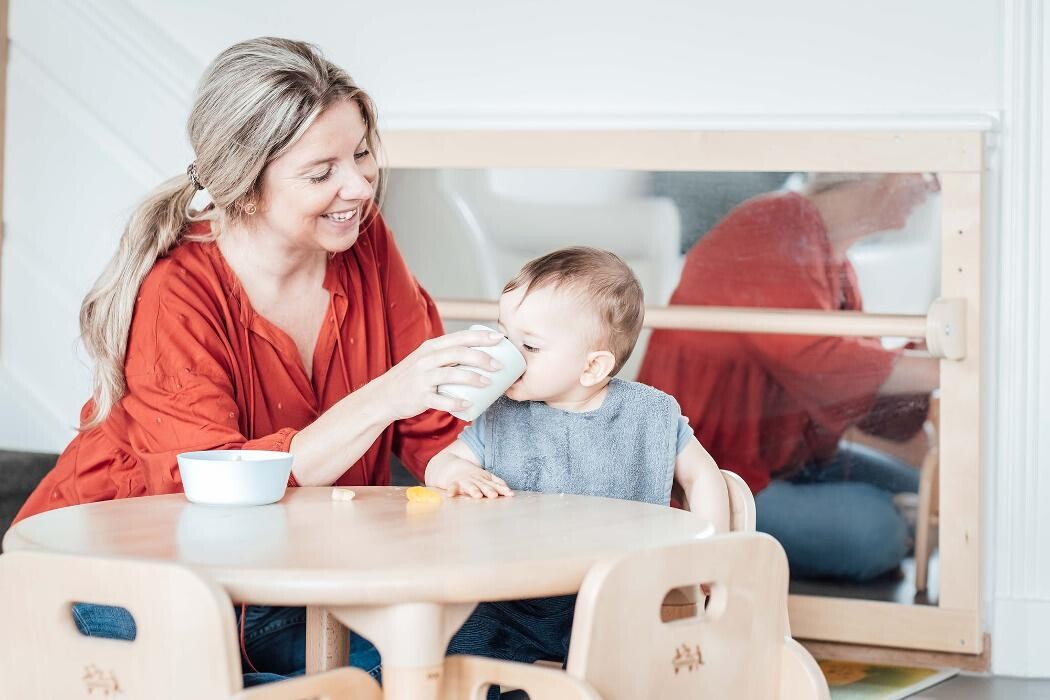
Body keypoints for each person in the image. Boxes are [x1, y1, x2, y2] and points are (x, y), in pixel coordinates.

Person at [13, 37, 503, 685]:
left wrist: (452, 467)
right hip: (126, 580)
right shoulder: (175, 294)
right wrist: (386, 396)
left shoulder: (364, 241)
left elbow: (426, 418)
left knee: (492, 634)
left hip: (292, 574)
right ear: (244, 190)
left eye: (360, 154)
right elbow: (229, 493)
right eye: (320, 171)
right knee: (405, 669)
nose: (357, 185)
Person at [426, 246, 730, 692]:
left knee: (639, 673)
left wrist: (711, 554)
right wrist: (452, 473)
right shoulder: (502, 414)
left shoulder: (649, 414)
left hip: (620, 598)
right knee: (458, 653)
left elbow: (702, 476)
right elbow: (443, 460)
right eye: (503, 334)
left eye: (528, 346)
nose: (507, 354)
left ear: (592, 366)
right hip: (513, 601)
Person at [638, 173, 941, 582]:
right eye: (922, 173)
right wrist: (941, 368)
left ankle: (898, 530)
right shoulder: (774, 224)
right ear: (870, 174)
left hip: (784, 461)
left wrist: (932, 361)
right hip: (711, 473)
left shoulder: (837, 261)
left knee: (930, 493)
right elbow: (820, 364)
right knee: (879, 532)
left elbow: (858, 393)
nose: (932, 187)